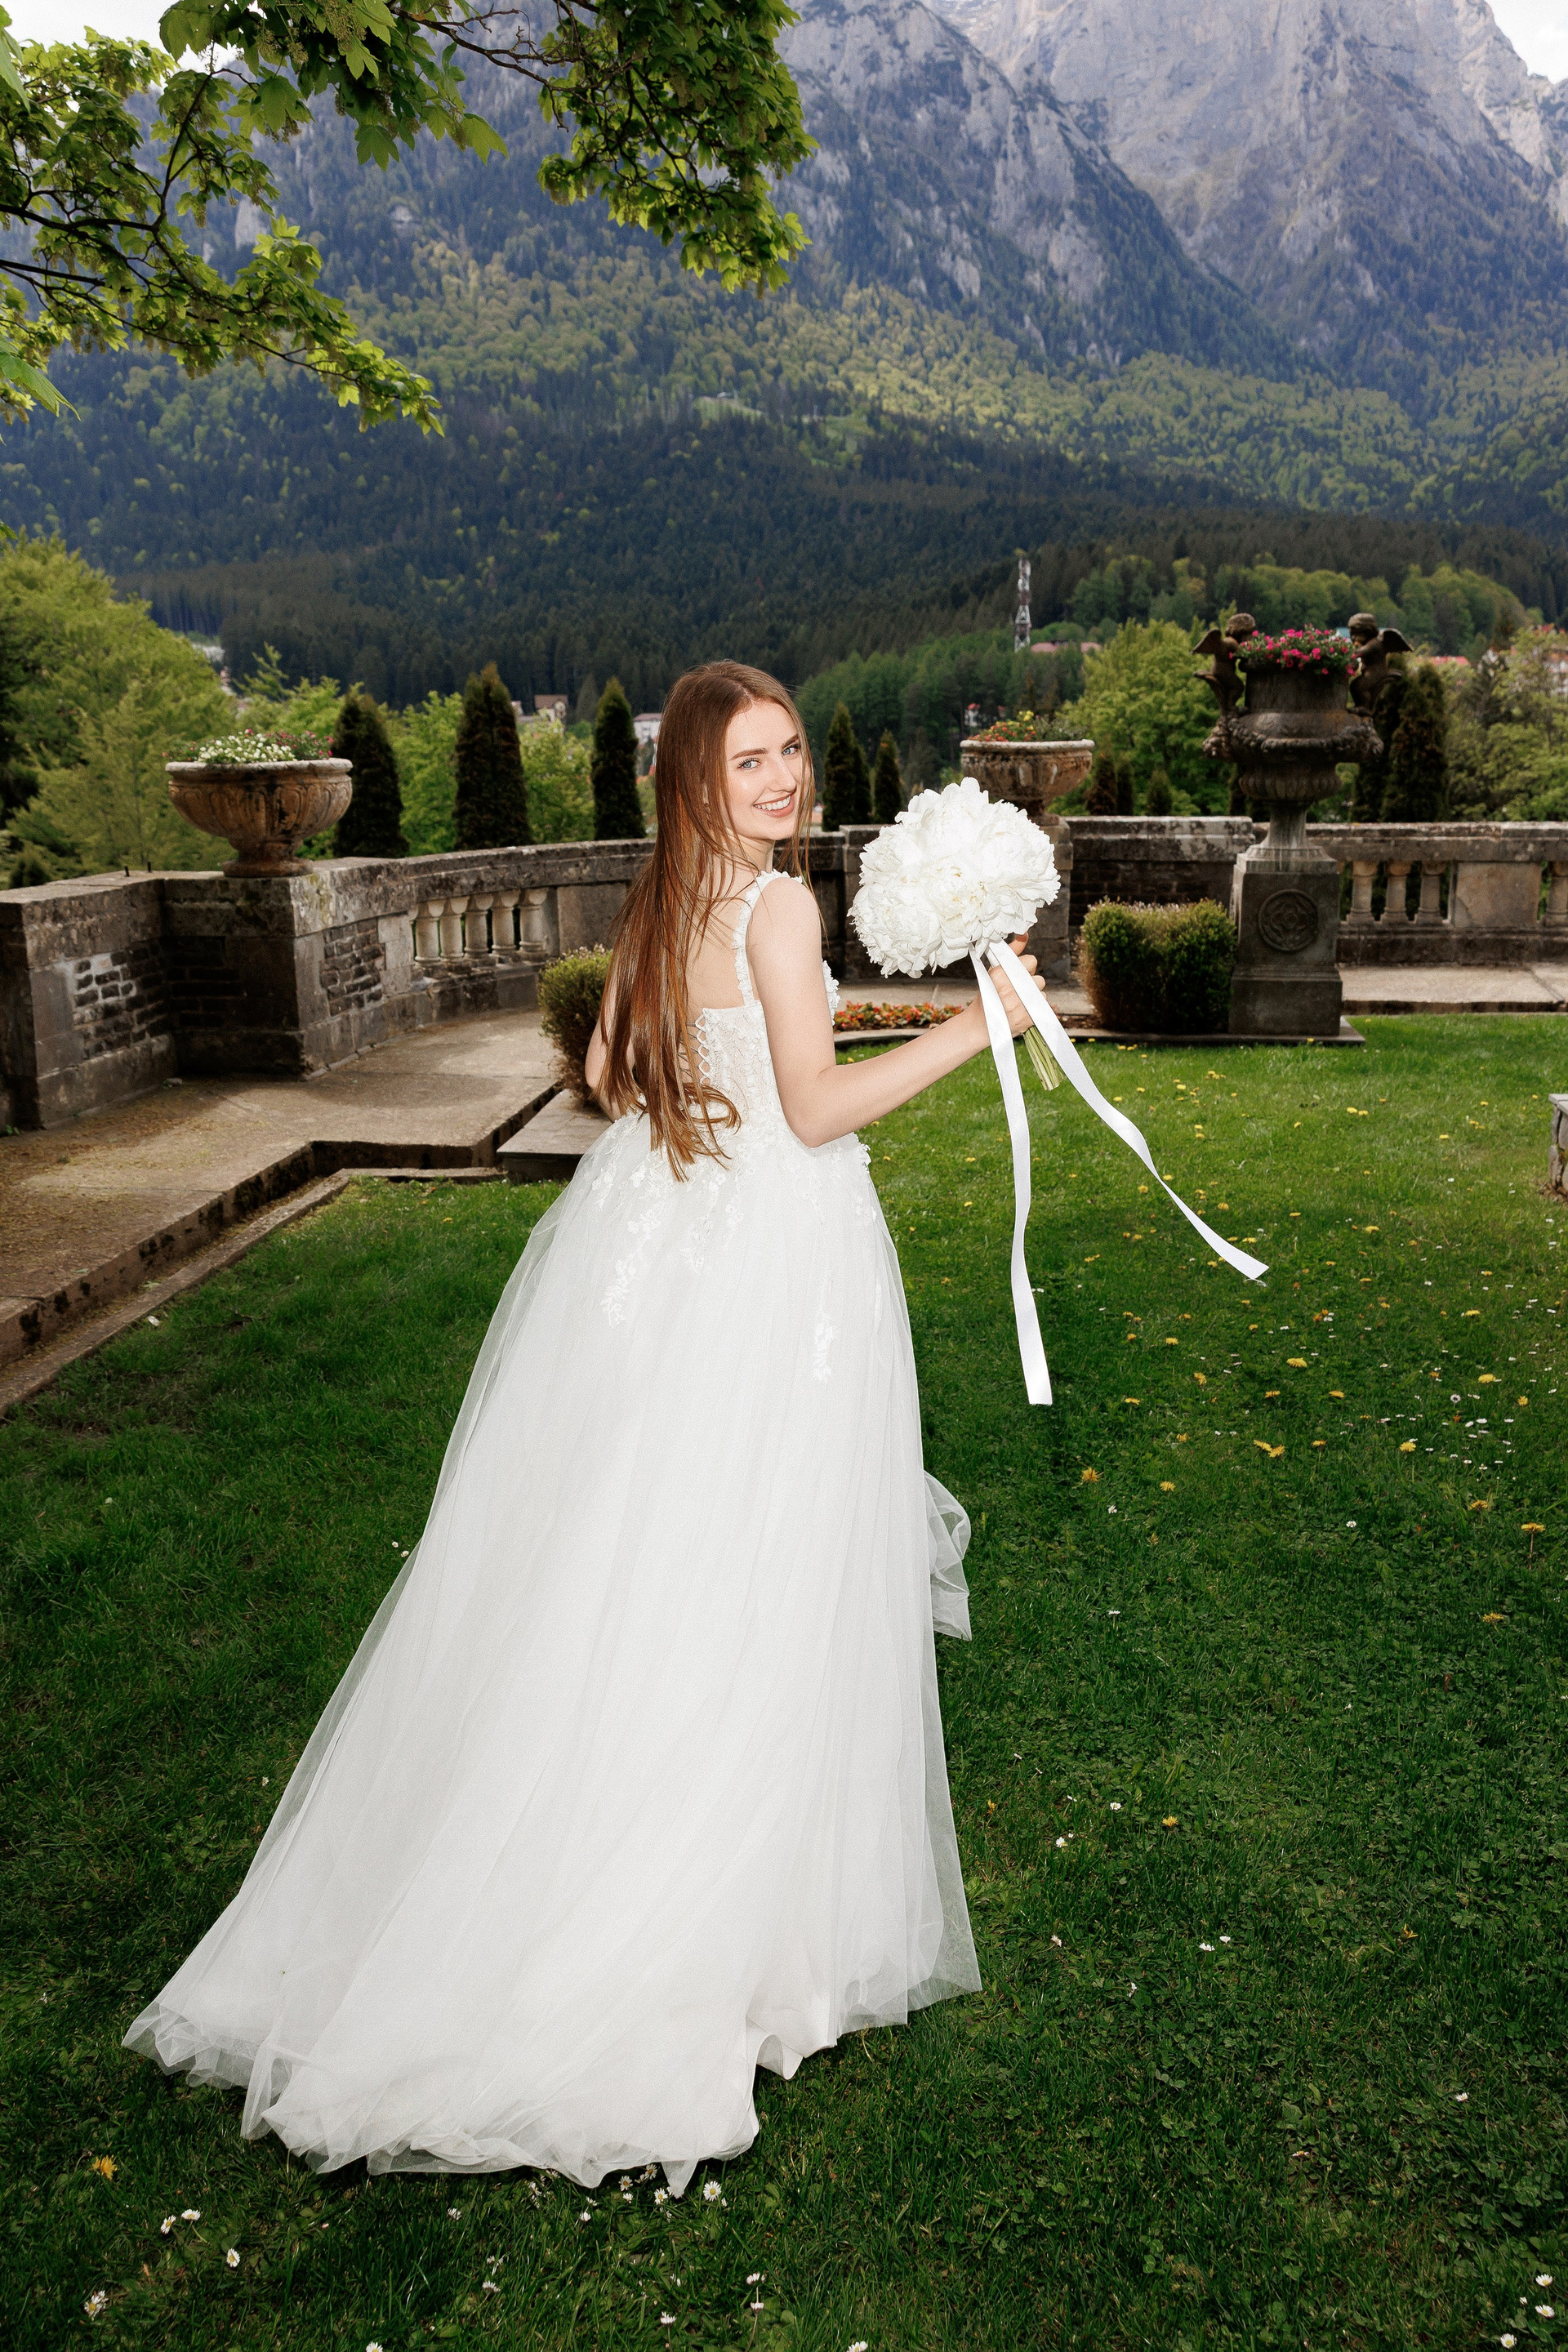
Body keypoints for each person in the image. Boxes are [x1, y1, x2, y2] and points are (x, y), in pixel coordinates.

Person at [124, 659, 1049, 2193]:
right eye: (751, 761)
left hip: (657, 1242)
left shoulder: (662, 902)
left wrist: (735, 1081)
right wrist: (984, 1023)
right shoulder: (778, 908)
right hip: (776, 1260)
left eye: (790, 751)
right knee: (757, 1562)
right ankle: (720, 1920)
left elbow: (621, 1074)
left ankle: (556, 1866)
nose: (784, 779)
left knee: (631, 1555)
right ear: (695, 780)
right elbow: (816, 1111)